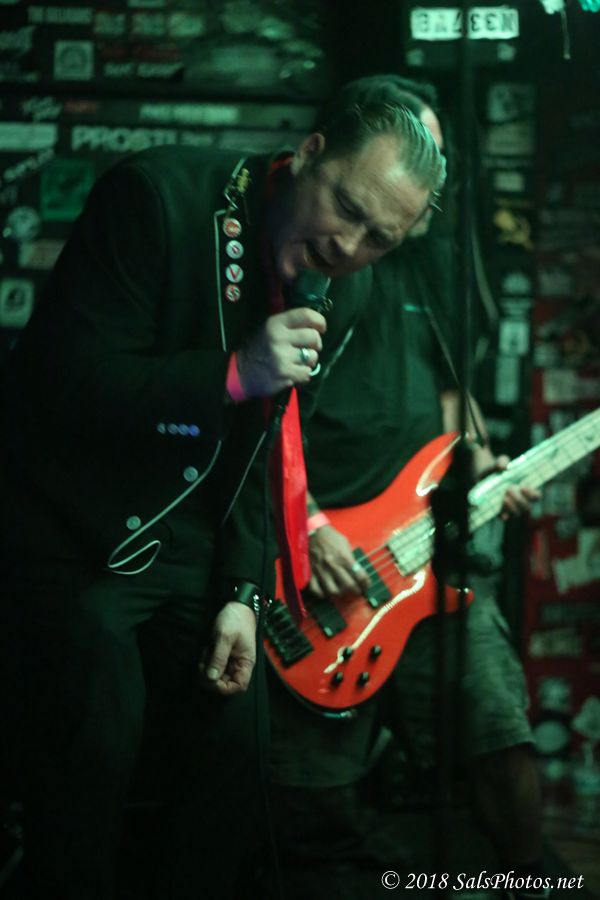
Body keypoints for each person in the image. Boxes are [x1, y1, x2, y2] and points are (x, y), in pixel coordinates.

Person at [0, 100, 446, 900]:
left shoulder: (350, 288)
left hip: (196, 547)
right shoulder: (156, 198)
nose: (350, 247)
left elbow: (265, 447)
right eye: (347, 208)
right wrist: (232, 374)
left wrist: (242, 591)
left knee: (234, 759)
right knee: (95, 753)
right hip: (73, 532)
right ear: (310, 152)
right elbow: (58, 387)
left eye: (380, 237)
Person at [267, 76, 546, 900]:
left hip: (431, 561)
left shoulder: (438, 272)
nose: (424, 182)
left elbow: (458, 410)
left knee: (498, 737)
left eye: (436, 168)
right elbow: (259, 416)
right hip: (317, 566)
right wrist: (306, 522)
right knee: (311, 801)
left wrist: (483, 469)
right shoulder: (320, 260)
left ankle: (533, 880)